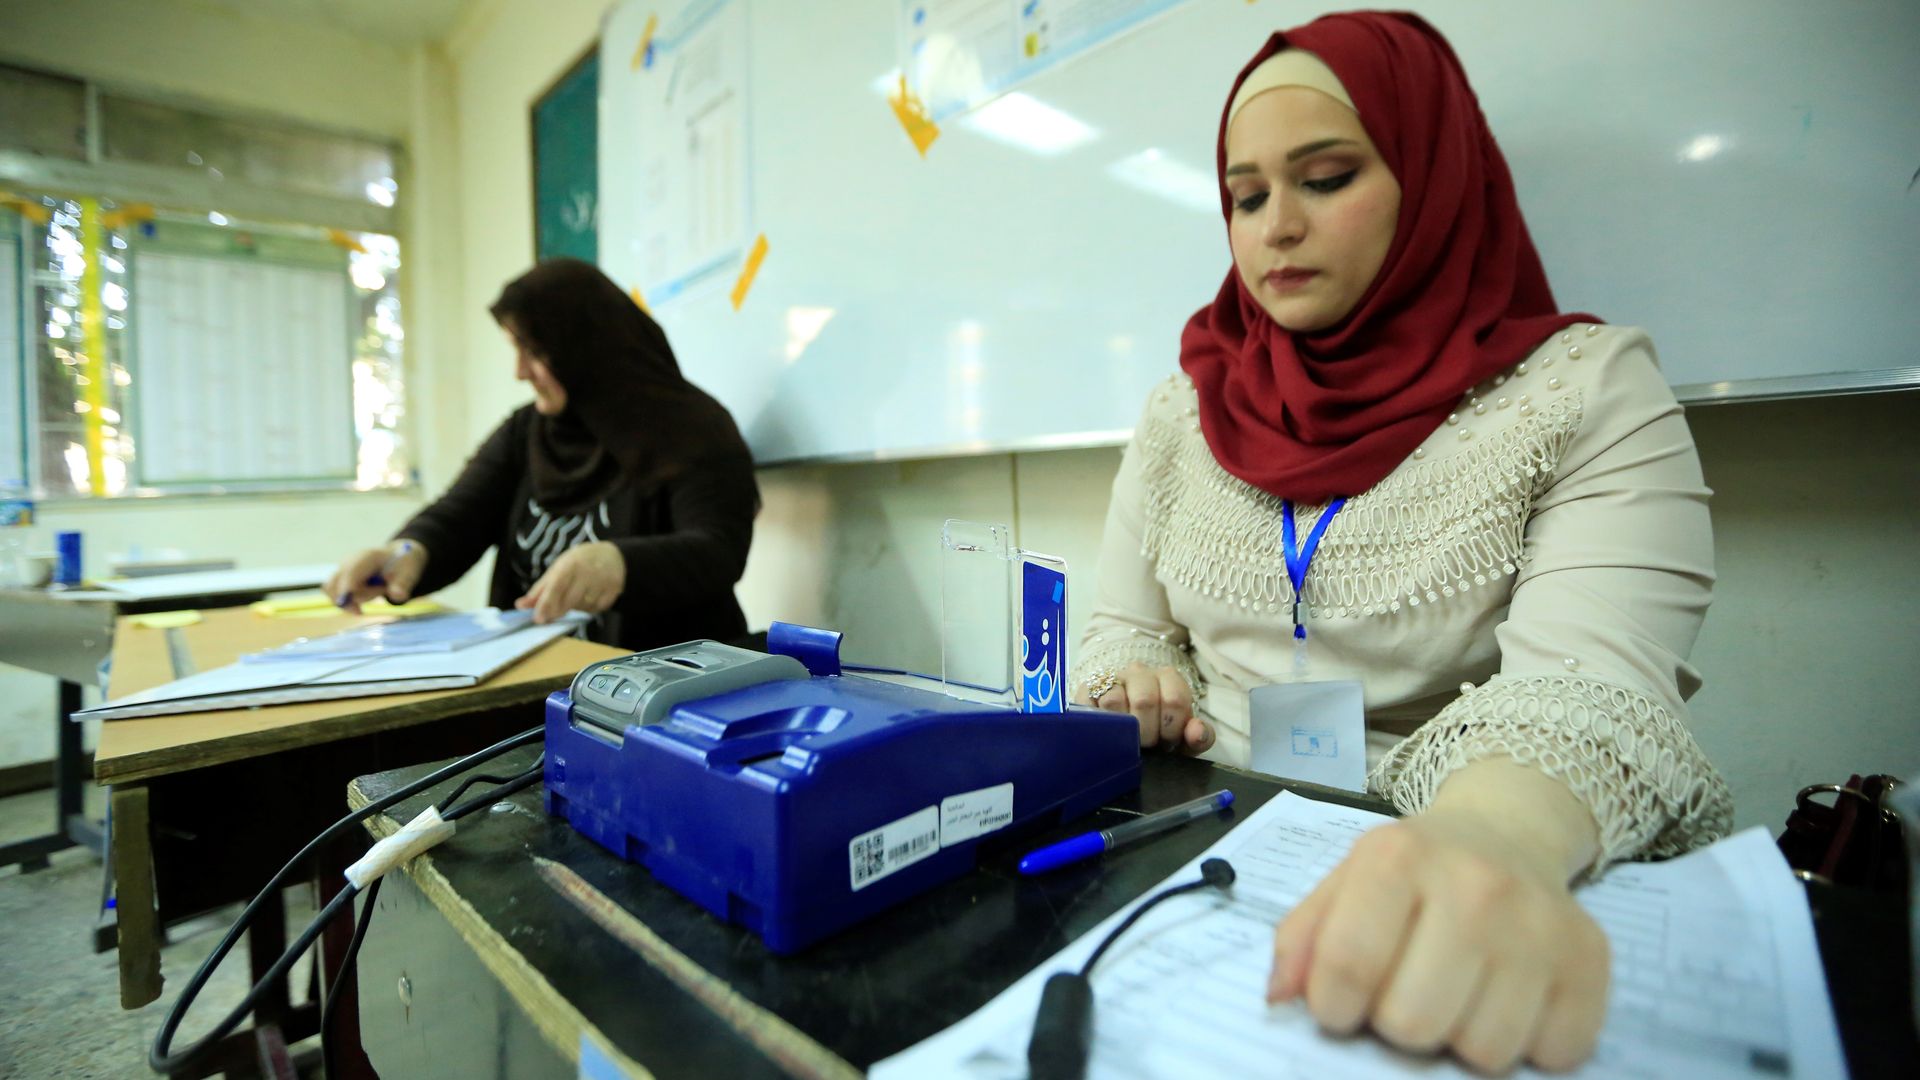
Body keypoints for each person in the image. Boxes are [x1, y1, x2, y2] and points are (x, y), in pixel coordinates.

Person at [1072, 12, 1732, 1074]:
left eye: (1325, 178)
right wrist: (1131, 681)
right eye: (1245, 196)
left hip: (1466, 874)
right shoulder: (1180, 415)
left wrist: (1496, 842)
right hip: (1200, 863)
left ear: (1432, 178)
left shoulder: (1583, 393)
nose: (1274, 226)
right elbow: (1117, 633)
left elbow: (1589, 696)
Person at [326, 259, 758, 651]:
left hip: (666, 686)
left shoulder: (693, 425)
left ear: (586, 346)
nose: (519, 372)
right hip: (538, 677)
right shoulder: (526, 431)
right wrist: (405, 553)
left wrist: (620, 562)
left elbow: (718, 551)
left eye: (534, 352)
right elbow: (460, 517)